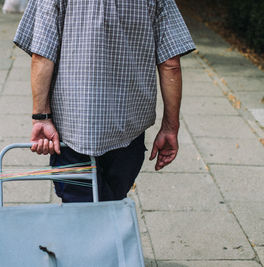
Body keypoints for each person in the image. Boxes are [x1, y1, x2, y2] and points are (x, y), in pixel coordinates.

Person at [13, 0, 195, 203]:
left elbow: (41, 55)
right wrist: (170, 127)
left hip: (72, 129)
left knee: (81, 214)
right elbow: (170, 63)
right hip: (128, 131)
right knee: (113, 204)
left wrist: (41, 117)